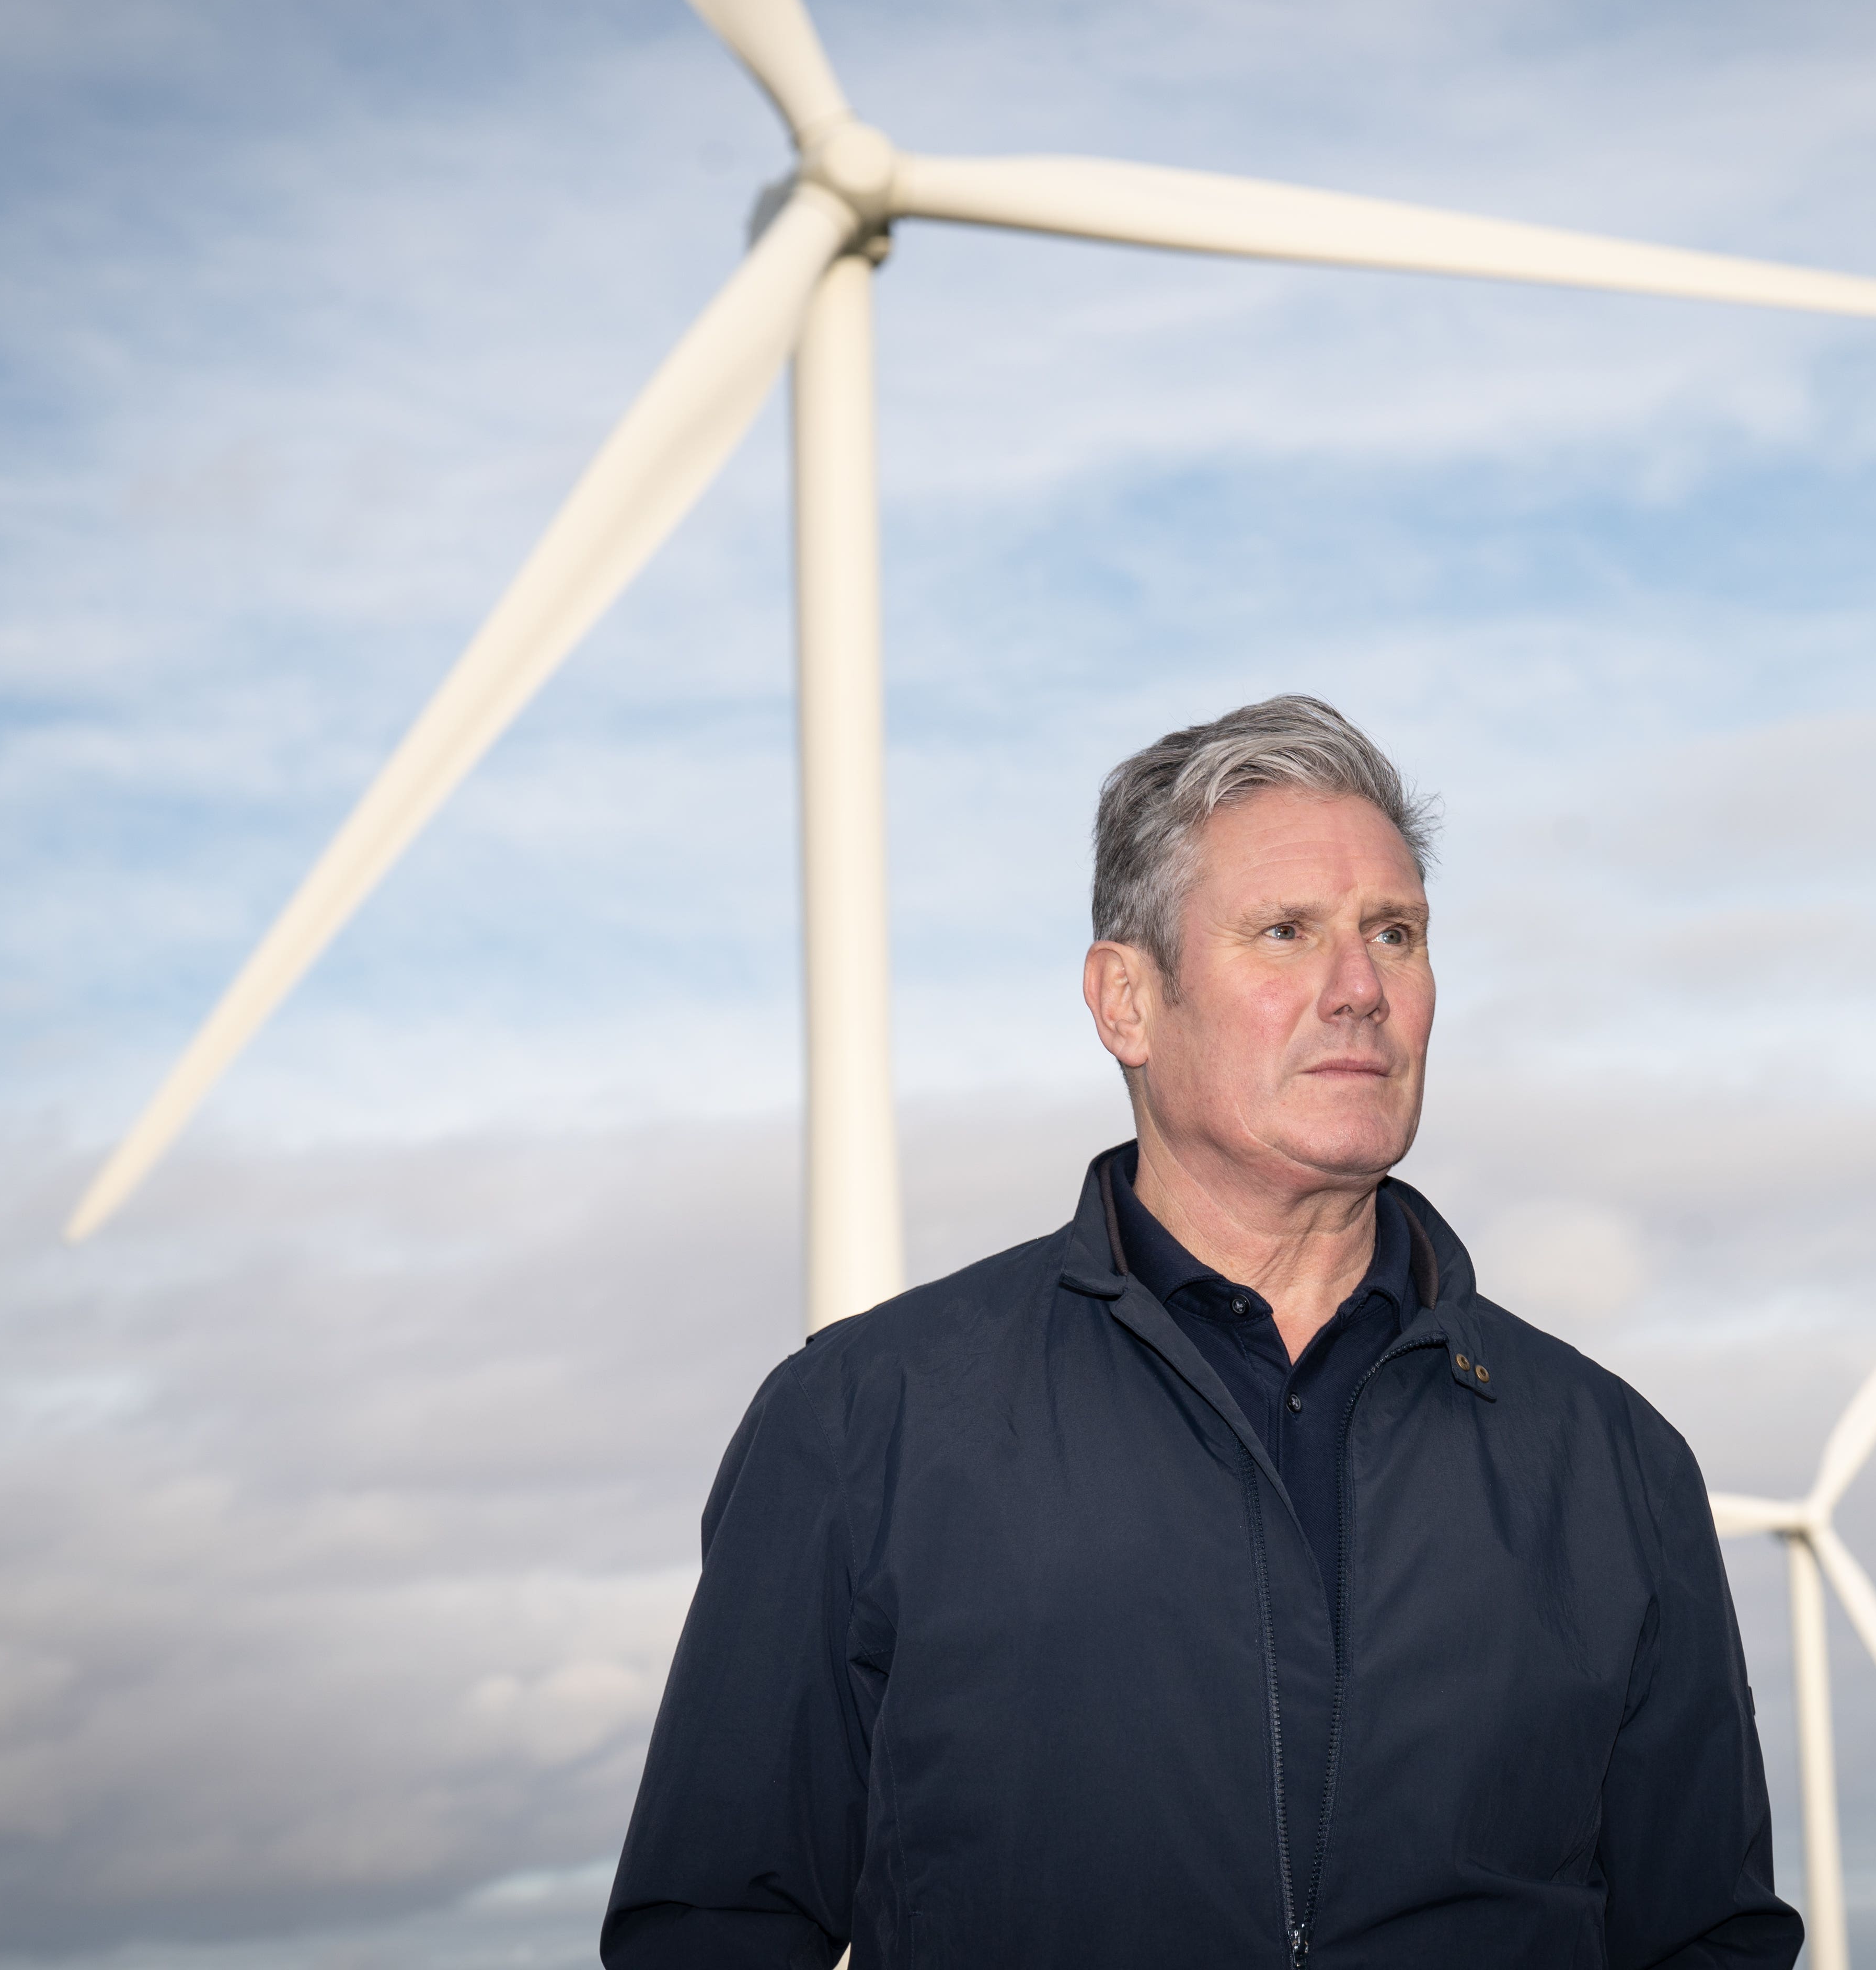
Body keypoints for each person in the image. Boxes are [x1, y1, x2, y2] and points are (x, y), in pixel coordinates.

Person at [604, 696, 1800, 1969]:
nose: (1359, 991)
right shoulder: (863, 1421)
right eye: (1286, 933)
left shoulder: (1614, 1461)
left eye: (1393, 932)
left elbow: (1705, 1943)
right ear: (1127, 999)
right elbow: (714, 1927)